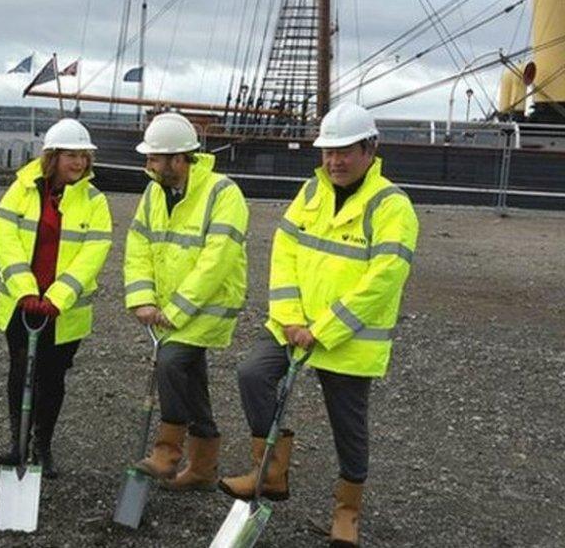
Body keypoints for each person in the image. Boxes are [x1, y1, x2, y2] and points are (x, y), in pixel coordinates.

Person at [218, 103, 419, 548]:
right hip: (294, 327)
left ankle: (347, 510)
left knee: (347, 423)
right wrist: (290, 319)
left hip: (348, 338)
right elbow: (284, 251)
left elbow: (383, 279)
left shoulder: (391, 206)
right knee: (252, 373)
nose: (335, 161)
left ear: (371, 149)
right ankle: (269, 472)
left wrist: (323, 329)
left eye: (345, 151)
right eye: (329, 152)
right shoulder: (311, 192)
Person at [124, 112, 249, 491]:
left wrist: (175, 311)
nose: (149, 164)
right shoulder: (153, 193)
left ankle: (168, 451)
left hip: (207, 308)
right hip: (166, 311)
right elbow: (138, 246)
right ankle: (202, 470)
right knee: (191, 382)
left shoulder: (222, 193)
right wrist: (143, 299)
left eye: (155, 158)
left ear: (179, 159)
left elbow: (217, 259)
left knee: (172, 363)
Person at [0, 118, 112, 479]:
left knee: (52, 376)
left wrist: (58, 296)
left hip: (65, 308)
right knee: (19, 372)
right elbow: (5, 237)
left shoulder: (95, 200)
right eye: (71, 155)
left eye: (83, 156)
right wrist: (26, 289)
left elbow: (94, 251)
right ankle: (18, 442)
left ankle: (42, 445)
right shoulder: (22, 190)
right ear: (52, 156)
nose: (79, 163)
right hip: (21, 302)